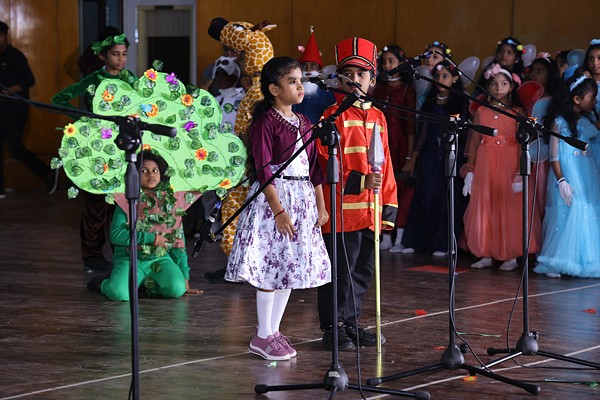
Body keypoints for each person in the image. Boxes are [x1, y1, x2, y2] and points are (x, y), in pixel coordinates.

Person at [225, 56, 331, 361]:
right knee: (271, 268)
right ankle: (263, 334)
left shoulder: (305, 122)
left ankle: (273, 331)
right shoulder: (265, 122)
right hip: (276, 200)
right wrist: (278, 211)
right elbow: (264, 169)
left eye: (300, 81)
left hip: (302, 199)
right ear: (274, 89)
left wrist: (321, 206)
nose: (300, 87)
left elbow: (315, 168)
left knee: (288, 268)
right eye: (292, 81)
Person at [316, 37, 398, 351]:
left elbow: (386, 164)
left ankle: (351, 323)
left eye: (361, 74)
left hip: (370, 210)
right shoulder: (331, 116)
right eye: (348, 74)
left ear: (372, 80)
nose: (355, 79)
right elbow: (324, 162)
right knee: (339, 273)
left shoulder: (379, 117)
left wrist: (387, 207)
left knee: (362, 272)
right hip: (341, 212)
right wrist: (361, 181)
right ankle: (332, 327)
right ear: (339, 80)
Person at [52, 32, 137, 272]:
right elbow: (59, 98)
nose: (121, 59)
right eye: (115, 54)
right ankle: (92, 256)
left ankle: (121, 254)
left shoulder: (130, 79)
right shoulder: (94, 79)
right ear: (102, 56)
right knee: (96, 203)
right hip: (96, 148)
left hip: (121, 147)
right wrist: (85, 120)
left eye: (124, 54)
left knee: (121, 203)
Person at [89, 151, 203, 300]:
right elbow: (116, 235)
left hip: (159, 258)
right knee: (119, 294)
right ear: (134, 175)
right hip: (129, 258)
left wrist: (185, 280)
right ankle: (102, 284)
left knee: (177, 289)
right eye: (144, 171)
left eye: (155, 170)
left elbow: (178, 243)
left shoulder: (170, 202)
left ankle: (147, 286)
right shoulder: (127, 201)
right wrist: (152, 238)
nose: (151, 175)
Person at [460, 62, 540, 271]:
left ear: (511, 87)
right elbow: (474, 142)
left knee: (508, 207)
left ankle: (510, 254)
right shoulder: (481, 111)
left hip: (509, 160)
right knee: (485, 205)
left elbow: (522, 142)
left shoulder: (517, 111)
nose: (498, 88)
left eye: (503, 84)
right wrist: (470, 169)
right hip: (486, 162)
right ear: (488, 86)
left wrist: (519, 172)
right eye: (494, 84)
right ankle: (485, 252)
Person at [534, 72, 600, 278]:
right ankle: (558, 259)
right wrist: (561, 179)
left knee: (586, 209)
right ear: (577, 99)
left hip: (584, 172)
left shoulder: (585, 121)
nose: (595, 101)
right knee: (566, 210)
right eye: (592, 97)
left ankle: (584, 260)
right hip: (568, 173)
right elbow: (554, 155)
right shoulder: (559, 122)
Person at [400, 60, 469, 256]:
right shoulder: (430, 102)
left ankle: (443, 243)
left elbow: (464, 133)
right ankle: (417, 241)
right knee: (424, 196)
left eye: (445, 76)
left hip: (450, 154)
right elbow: (422, 133)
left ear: (455, 79)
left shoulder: (460, 103)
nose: (440, 80)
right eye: (437, 76)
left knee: (445, 198)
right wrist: (414, 158)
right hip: (429, 155)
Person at [0, 20, 56, 198]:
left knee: (15, 147)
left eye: (0, 36)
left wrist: (9, 90)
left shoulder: (15, 56)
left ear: (5, 36)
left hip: (15, 109)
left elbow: (29, 80)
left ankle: (47, 172)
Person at [372, 44, 416, 252]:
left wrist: (410, 156)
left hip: (399, 144)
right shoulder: (379, 89)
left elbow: (411, 126)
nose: (388, 65)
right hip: (380, 141)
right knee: (380, 186)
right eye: (385, 62)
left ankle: (399, 236)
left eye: (392, 61)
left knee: (399, 189)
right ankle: (383, 234)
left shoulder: (407, 90)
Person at [292, 27, 335, 124]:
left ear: (319, 70)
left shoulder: (329, 94)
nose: (308, 70)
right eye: (304, 66)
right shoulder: (291, 93)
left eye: (313, 66)